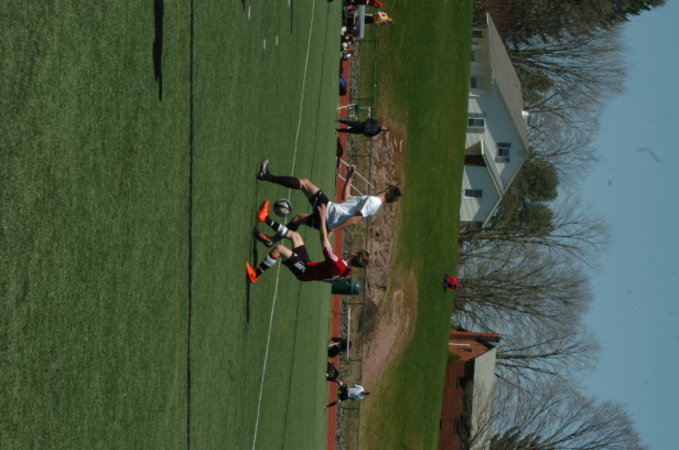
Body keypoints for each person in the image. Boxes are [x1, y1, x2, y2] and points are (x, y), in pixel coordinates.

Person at [255, 159, 401, 247]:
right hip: (330, 219)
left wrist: (333, 230)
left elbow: (355, 219)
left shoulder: (374, 201)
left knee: (304, 183)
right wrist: (349, 177)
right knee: (297, 218)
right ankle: (271, 240)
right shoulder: (374, 203)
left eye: (385, 187)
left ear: (387, 190)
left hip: (330, 213)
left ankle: (266, 175)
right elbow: (346, 197)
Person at [246, 202, 369, 284]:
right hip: (308, 266)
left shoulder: (338, 264)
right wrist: (318, 275)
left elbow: (324, 240)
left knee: (279, 249)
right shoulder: (347, 271)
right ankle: (264, 218)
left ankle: (255, 274)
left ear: (354, 254)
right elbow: (331, 280)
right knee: (295, 235)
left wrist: (322, 217)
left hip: (304, 270)